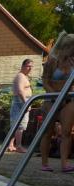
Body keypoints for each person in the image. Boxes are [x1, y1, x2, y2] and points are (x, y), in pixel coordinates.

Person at [41, 33, 74, 171]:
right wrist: (53, 95)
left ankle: (64, 164)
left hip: (68, 99)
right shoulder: (52, 61)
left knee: (67, 132)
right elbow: (45, 81)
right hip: (52, 99)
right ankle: (44, 163)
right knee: (48, 132)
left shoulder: (73, 61)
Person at [8, 59, 34, 152]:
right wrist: (25, 103)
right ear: (22, 66)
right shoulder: (20, 76)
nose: (30, 68)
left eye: (31, 66)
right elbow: (20, 91)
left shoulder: (23, 76)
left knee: (16, 125)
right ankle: (18, 146)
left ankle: (11, 145)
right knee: (20, 126)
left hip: (20, 102)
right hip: (21, 102)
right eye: (28, 66)